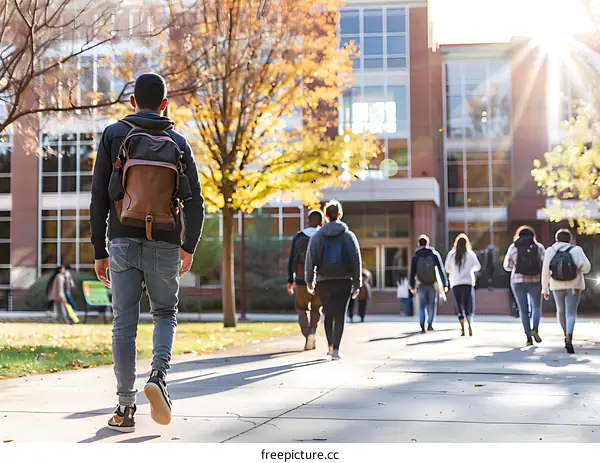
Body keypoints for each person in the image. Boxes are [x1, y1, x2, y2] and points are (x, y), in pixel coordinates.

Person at [90, 73, 205, 433]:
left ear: (133, 102)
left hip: (122, 239)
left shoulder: (113, 135)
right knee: (165, 312)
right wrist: (189, 246)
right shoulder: (178, 142)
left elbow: (98, 197)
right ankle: (158, 375)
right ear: (165, 104)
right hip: (167, 241)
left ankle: (125, 409)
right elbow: (195, 202)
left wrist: (99, 249)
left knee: (124, 323)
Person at [305, 200, 362, 360]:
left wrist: (309, 279)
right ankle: (336, 349)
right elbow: (356, 260)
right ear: (339, 214)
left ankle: (330, 346)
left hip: (324, 280)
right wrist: (357, 283)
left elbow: (311, 258)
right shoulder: (348, 236)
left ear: (325, 215)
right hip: (344, 280)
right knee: (340, 314)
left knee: (328, 313)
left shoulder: (318, 236)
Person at [542, 229, 591, 354]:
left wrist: (545, 288)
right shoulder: (576, 250)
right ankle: (569, 336)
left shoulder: (550, 251)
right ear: (570, 239)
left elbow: (546, 271)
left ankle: (565, 334)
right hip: (574, 285)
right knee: (571, 313)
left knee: (561, 311)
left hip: (556, 285)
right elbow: (586, 267)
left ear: (556, 239)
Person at [287, 210, 324, 350]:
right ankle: (313, 331)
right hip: (320, 280)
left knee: (301, 308)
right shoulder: (323, 236)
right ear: (321, 222)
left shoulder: (298, 237)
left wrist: (291, 280)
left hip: (302, 279)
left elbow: (291, 260)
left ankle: (307, 333)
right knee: (317, 308)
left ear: (308, 221)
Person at [503, 226, 545, 346]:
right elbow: (544, 263)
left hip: (517, 281)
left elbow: (507, 265)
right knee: (536, 307)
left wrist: (516, 267)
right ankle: (535, 330)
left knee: (523, 310)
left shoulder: (513, 247)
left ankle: (528, 337)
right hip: (535, 280)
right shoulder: (539, 247)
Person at [409, 234, 448, 333]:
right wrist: (445, 283)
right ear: (428, 243)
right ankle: (430, 324)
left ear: (418, 243)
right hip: (432, 284)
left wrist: (412, 286)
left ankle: (422, 325)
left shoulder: (416, 256)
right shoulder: (434, 254)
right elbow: (441, 269)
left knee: (422, 305)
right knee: (432, 305)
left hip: (421, 284)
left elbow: (412, 272)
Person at [445, 234, 481, 336]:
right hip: (468, 283)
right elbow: (478, 266)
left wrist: (454, 271)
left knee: (459, 306)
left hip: (455, 283)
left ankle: (462, 328)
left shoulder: (451, 255)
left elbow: (447, 268)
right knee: (468, 304)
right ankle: (469, 324)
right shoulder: (470, 254)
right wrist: (470, 269)